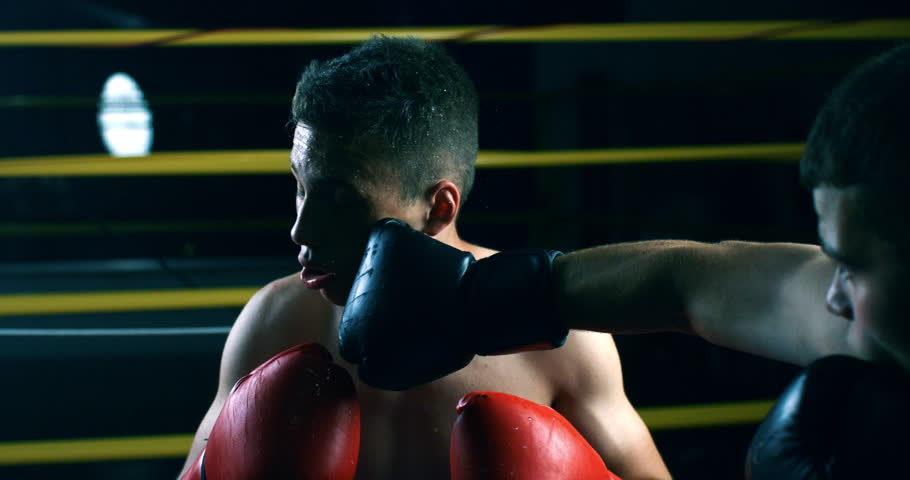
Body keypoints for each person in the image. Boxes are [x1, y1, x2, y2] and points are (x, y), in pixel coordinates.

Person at [338, 43, 910, 478]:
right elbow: (686, 283)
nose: (833, 296)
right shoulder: (872, 320)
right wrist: (473, 298)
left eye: (856, 266)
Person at [178, 36, 670, 480]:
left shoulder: (561, 343)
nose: (300, 230)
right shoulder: (275, 323)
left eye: (341, 199)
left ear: (438, 208)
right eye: (300, 186)